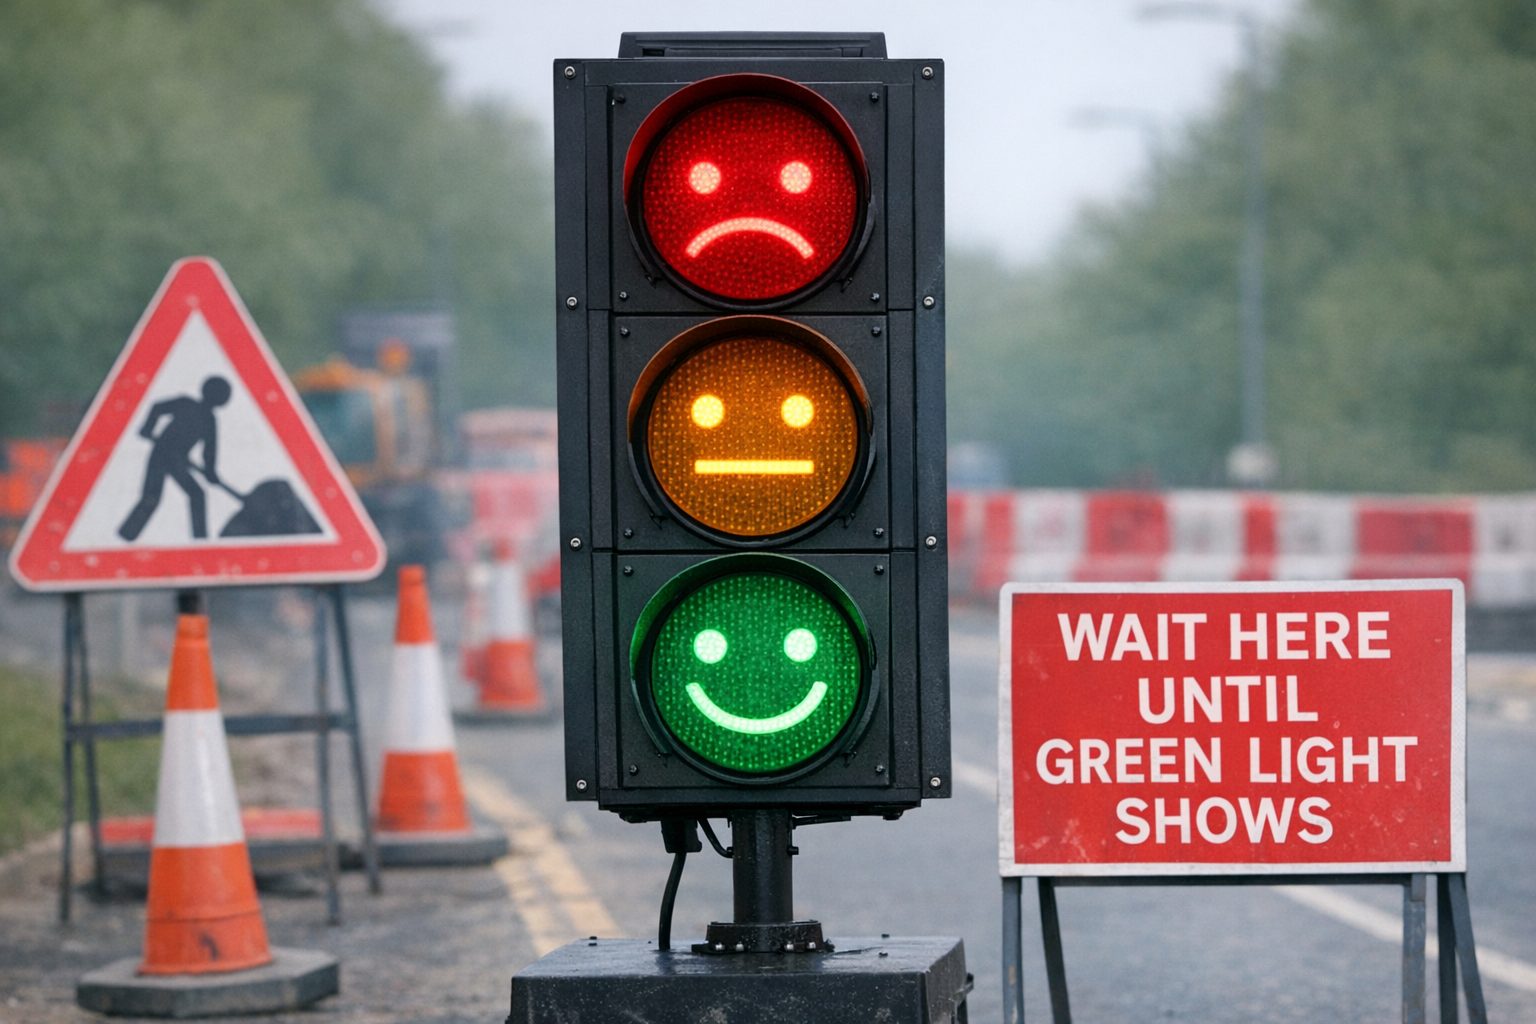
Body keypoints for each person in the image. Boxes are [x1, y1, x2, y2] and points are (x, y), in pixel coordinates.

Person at [117, 375, 232, 541]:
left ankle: (200, 541)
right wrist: (147, 428)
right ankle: (126, 536)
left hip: (177, 460)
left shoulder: (209, 419)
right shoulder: (187, 404)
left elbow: (209, 451)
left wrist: (210, 473)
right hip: (161, 454)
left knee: (193, 495)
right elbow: (157, 407)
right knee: (152, 498)